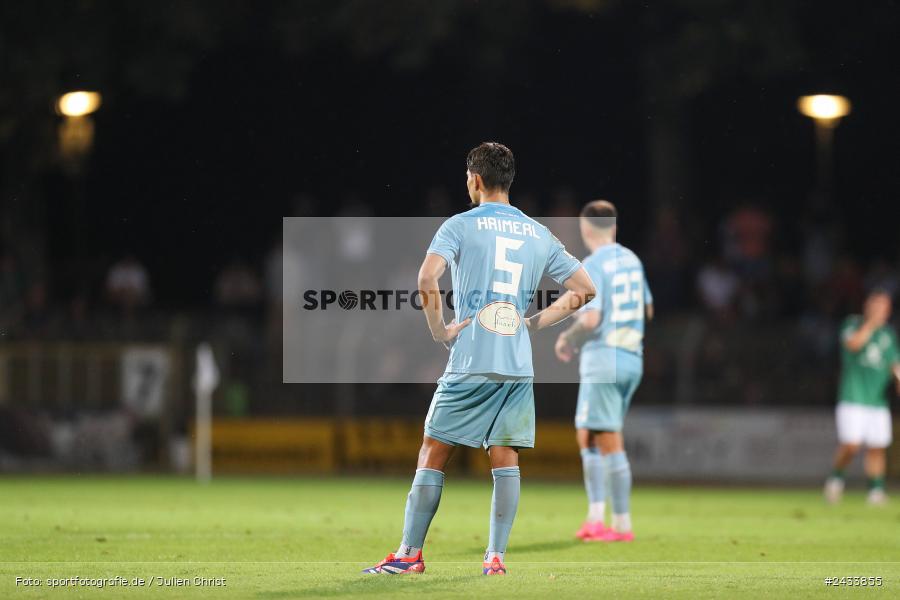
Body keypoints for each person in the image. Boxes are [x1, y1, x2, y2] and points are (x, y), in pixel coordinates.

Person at [363, 142, 595, 576]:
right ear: (509, 179)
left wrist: (440, 331)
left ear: (474, 178)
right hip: (516, 365)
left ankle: (409, 555)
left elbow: (426, 277)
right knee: (505, 458)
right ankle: (495, 558)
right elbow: (584, 289)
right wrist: (534, 324)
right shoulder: (538, 233)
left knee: (433, 451)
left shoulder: (460, 225)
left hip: (471, 359)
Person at [554, 200, 653, 542]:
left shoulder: (593, 265)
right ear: (614, 226)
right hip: (631, 358)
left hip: (605, 357)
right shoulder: (633, 260)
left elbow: (592, 317)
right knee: (589, 433)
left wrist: (568, 336)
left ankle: (621, 524)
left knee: (607, 439)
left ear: (585, 230)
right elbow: (648, 309)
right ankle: (596, 516)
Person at [824, 290, 900, 505]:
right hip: (853, 396)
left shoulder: (888, 335)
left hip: (877, 400)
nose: (879, 310)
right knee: (852, 445)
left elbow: (895, 363)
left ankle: (876, 491)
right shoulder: (852, 324)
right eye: (875, 305)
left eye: (883, 307)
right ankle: (835, 480)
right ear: (867, 307)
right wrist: (870, 325)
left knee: (877, 446)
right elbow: (854, 344)